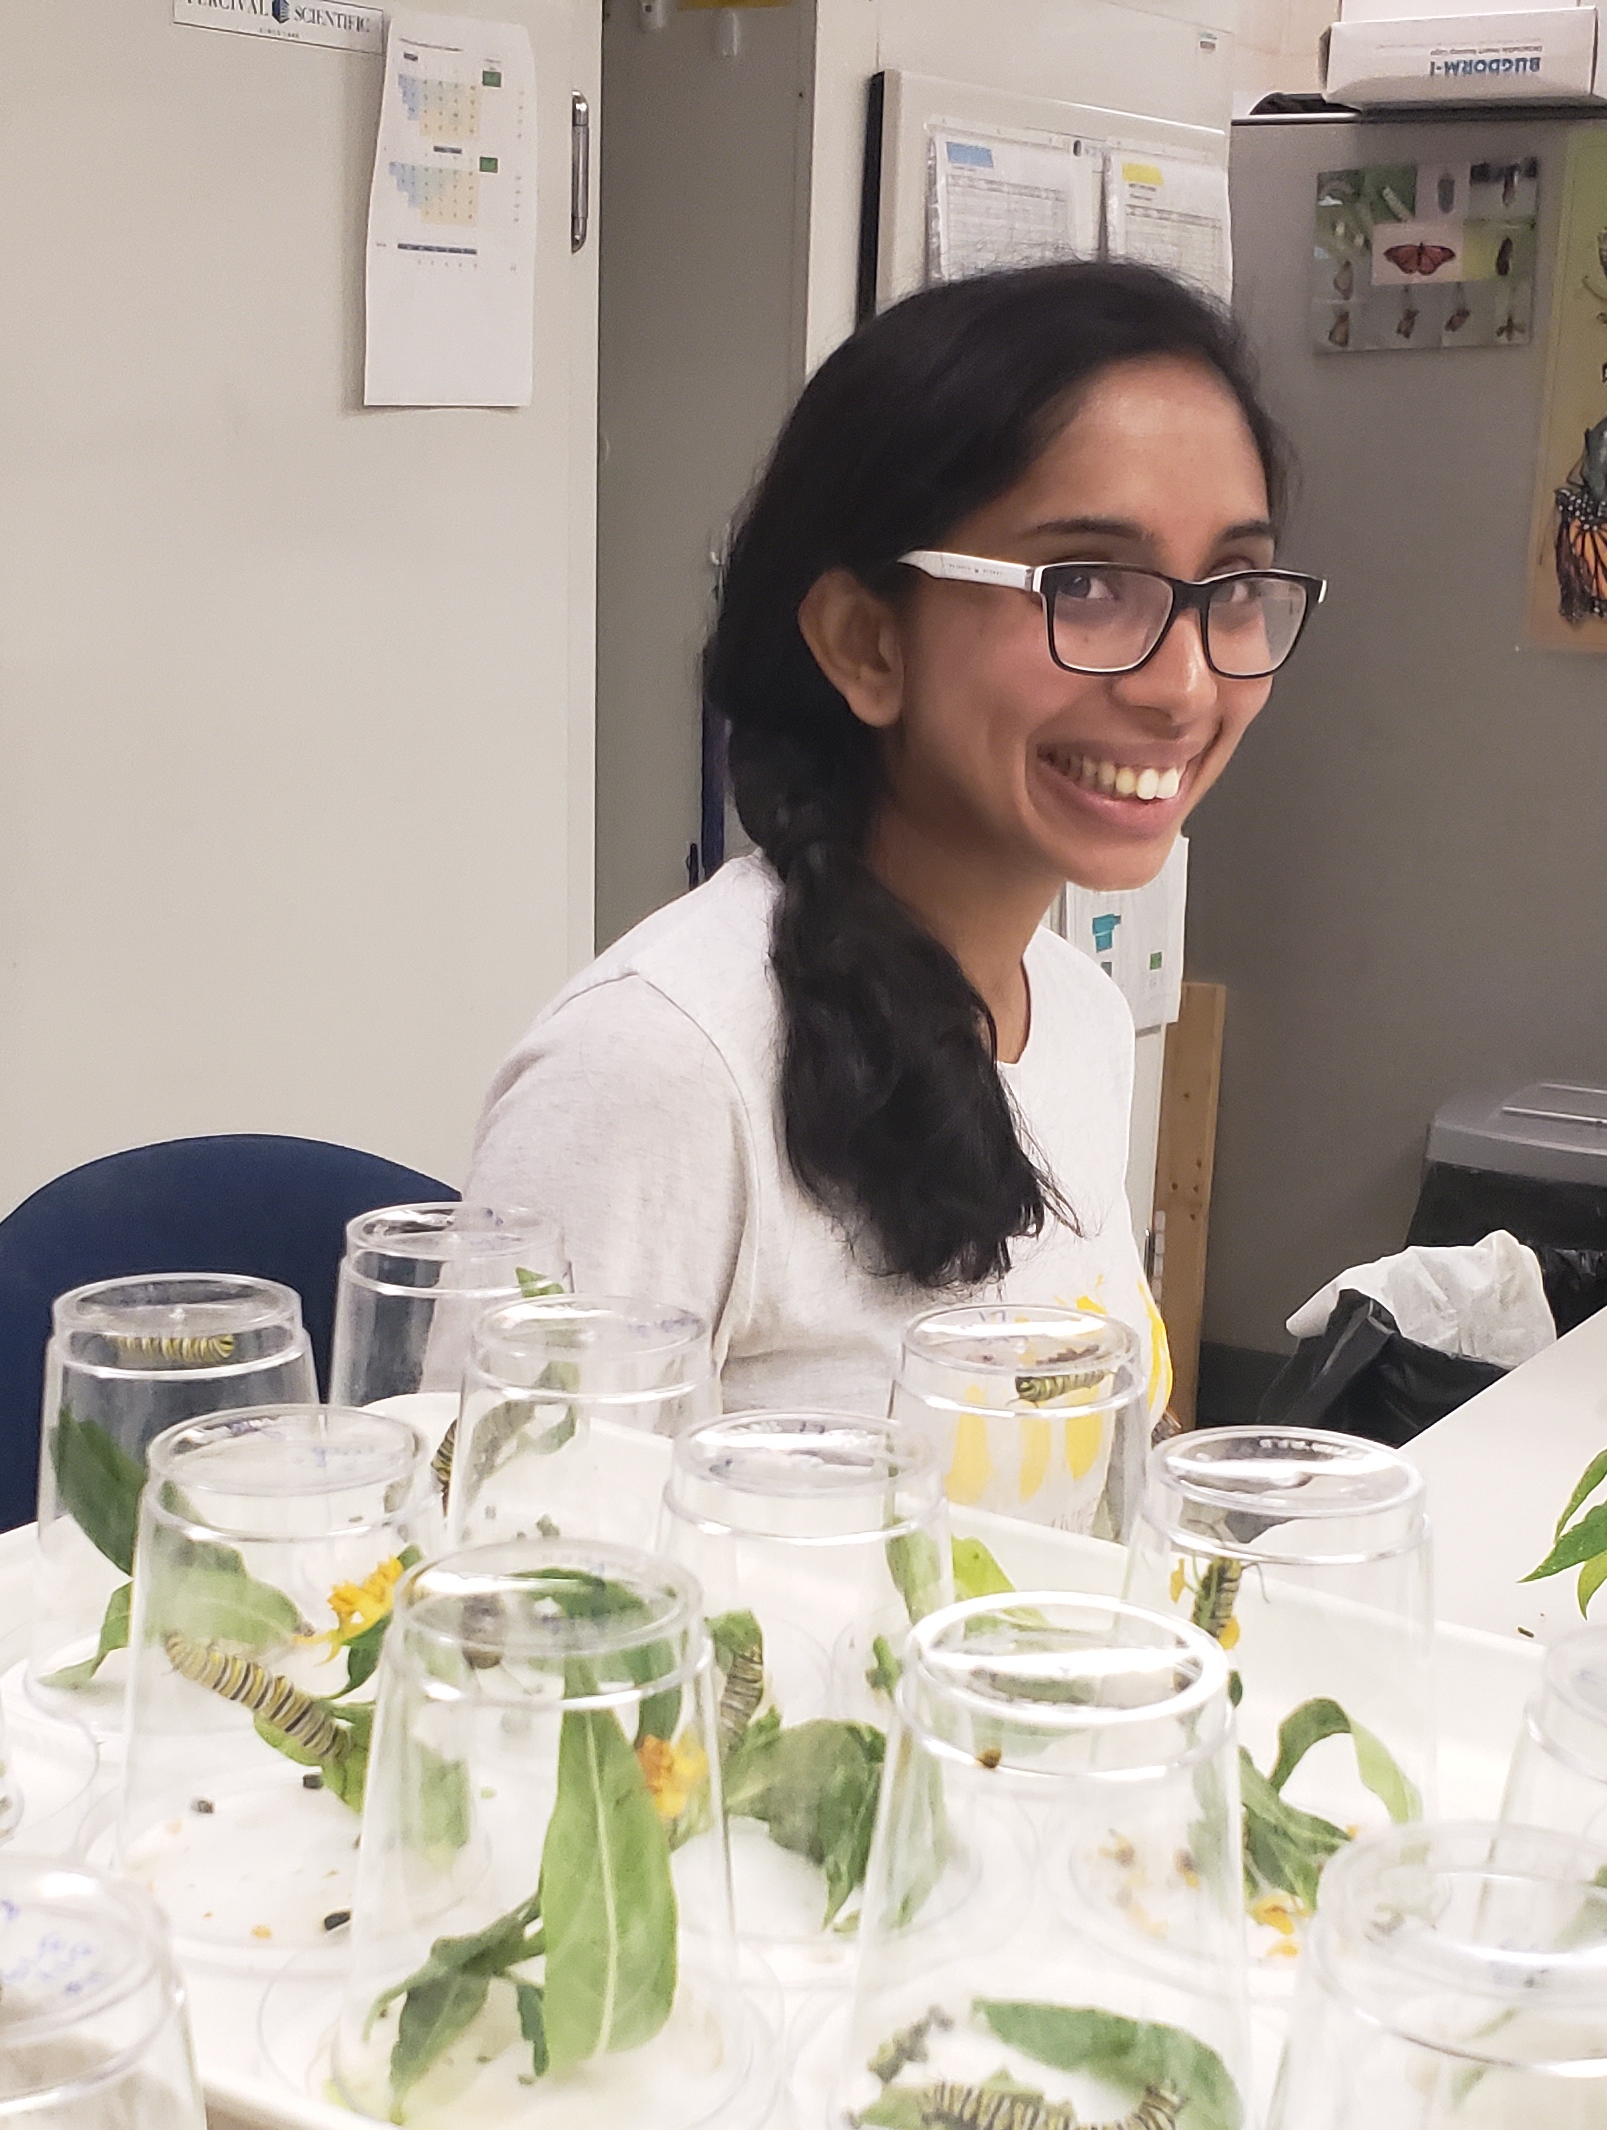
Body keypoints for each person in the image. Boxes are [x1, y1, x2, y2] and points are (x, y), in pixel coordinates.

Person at [465, 260, 1318, 1413]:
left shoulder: (1079, 1016)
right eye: (1089, 586)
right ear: (868, 642)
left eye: (1231, 585)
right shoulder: (663, 1071)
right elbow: (516, 1563)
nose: (1183, 684)